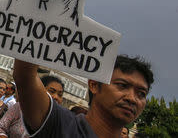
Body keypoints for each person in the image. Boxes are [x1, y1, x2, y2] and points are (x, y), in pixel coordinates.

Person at [13, 55, 154, 137]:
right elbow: (25, 76)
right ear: (93, 85)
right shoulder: (61, 124)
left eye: (141, 94)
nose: (132, 98)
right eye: (122, 85)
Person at [0, 75, 64, 138]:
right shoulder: (20, 108)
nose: (56, 97)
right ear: (38, 91)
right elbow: (0, 128)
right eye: (52, 91)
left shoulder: (58, 124)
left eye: (60, 95)